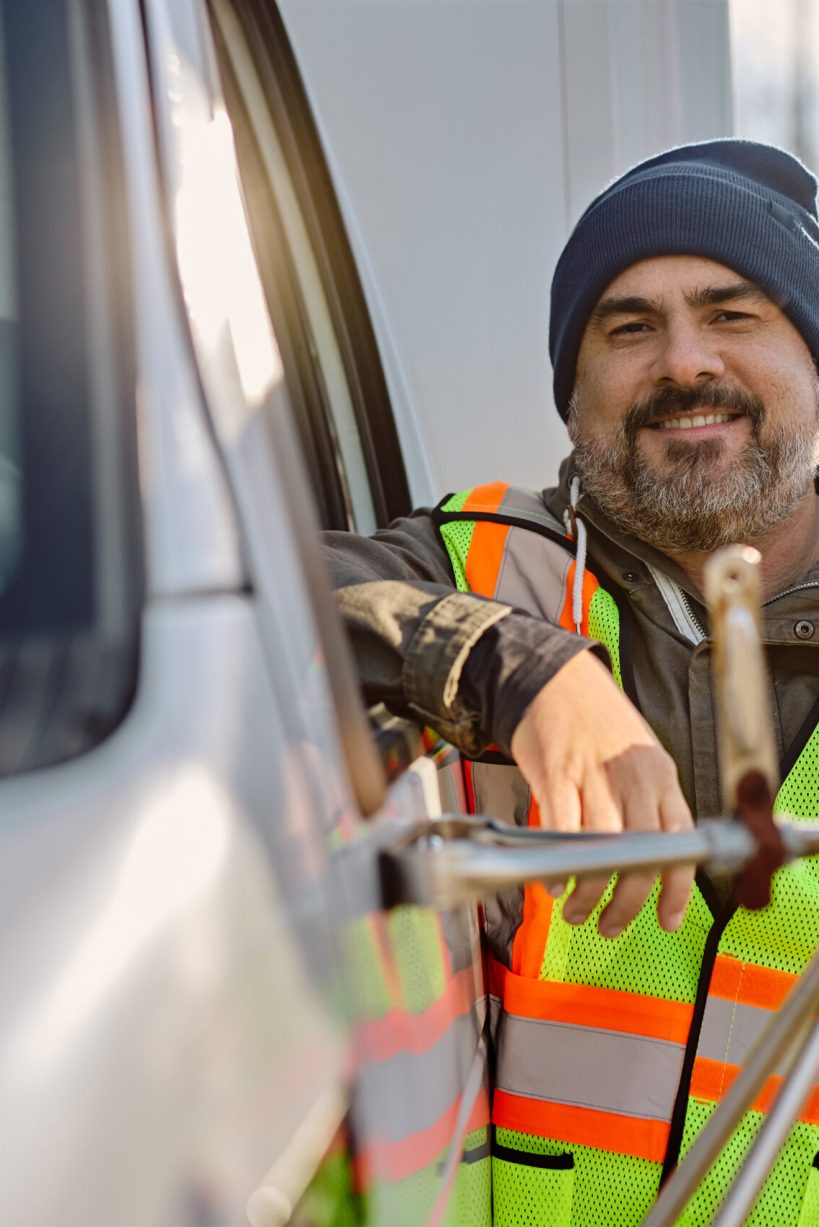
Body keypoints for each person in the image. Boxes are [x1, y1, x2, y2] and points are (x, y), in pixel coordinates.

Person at [323, 141, 819, 1225]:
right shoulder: (488, 561)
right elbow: (268, 601)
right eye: (629, 326)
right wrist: (513, 665)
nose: (686, 362)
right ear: (572, 387)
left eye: (733, 314)